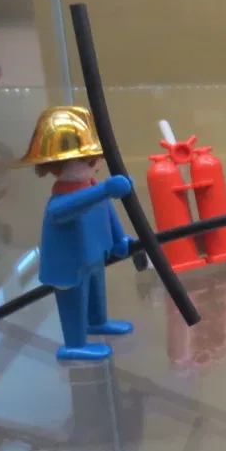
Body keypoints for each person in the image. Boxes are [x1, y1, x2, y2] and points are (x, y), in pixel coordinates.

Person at [20, 106, 138, 361]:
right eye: (88, 161)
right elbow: (66, 211)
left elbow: (108, 214)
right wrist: (105, 190)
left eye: (96, 159)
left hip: (94, 256)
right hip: (69, 266)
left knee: (96, 294)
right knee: (73, 302)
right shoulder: (63, 202)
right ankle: (74, 344)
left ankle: (97, 321)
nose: (96, 166)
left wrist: (119, 239)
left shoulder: (93, 189)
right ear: (56, 165)